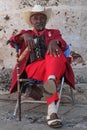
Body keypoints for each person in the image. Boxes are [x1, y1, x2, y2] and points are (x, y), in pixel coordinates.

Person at [8, 5, 75, 128]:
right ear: (31, 21)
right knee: (53, 64)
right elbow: (12, 41)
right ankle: (51, 81)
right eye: (36, 19)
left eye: (42, 18)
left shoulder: (54, 33)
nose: (39, 21)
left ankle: (52, 111)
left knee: (54, 53)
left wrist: (55, 41)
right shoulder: (26, 33)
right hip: (34, 68)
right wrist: (24, 36)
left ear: (46, 20)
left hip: (52, 66)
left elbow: (63, 43)